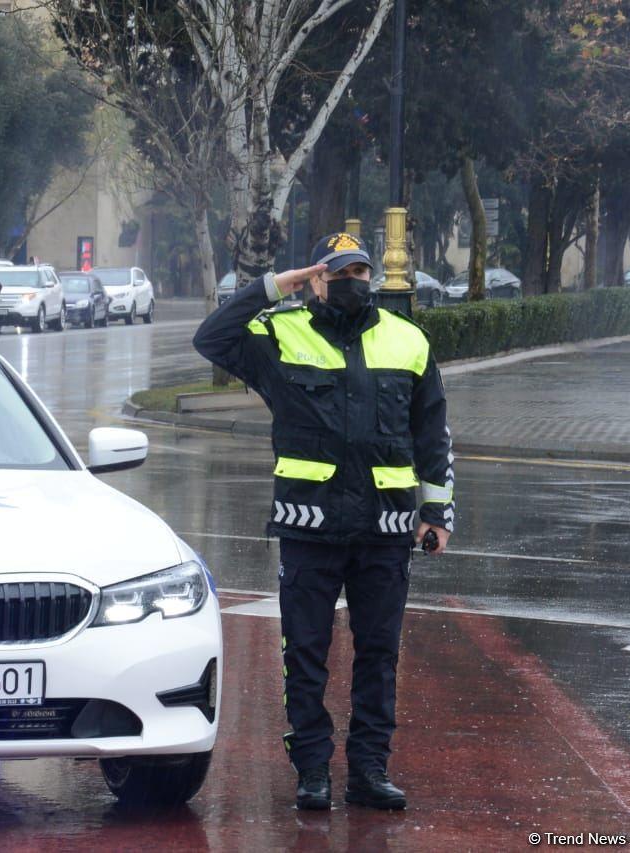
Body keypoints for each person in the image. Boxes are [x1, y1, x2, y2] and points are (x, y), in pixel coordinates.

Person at [193, 233, 454, 812]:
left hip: (386, 531)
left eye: (360, 271)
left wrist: (437, 512)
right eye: (337, 273)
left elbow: (432, 434)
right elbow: (211, 336)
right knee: (304, 655)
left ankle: (368, 770)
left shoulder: (407, 339)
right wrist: (274, 286)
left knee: (379, 656)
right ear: (316, 279)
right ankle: (312, 769)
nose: (352, 281)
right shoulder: (280, 336)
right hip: (308, 528)